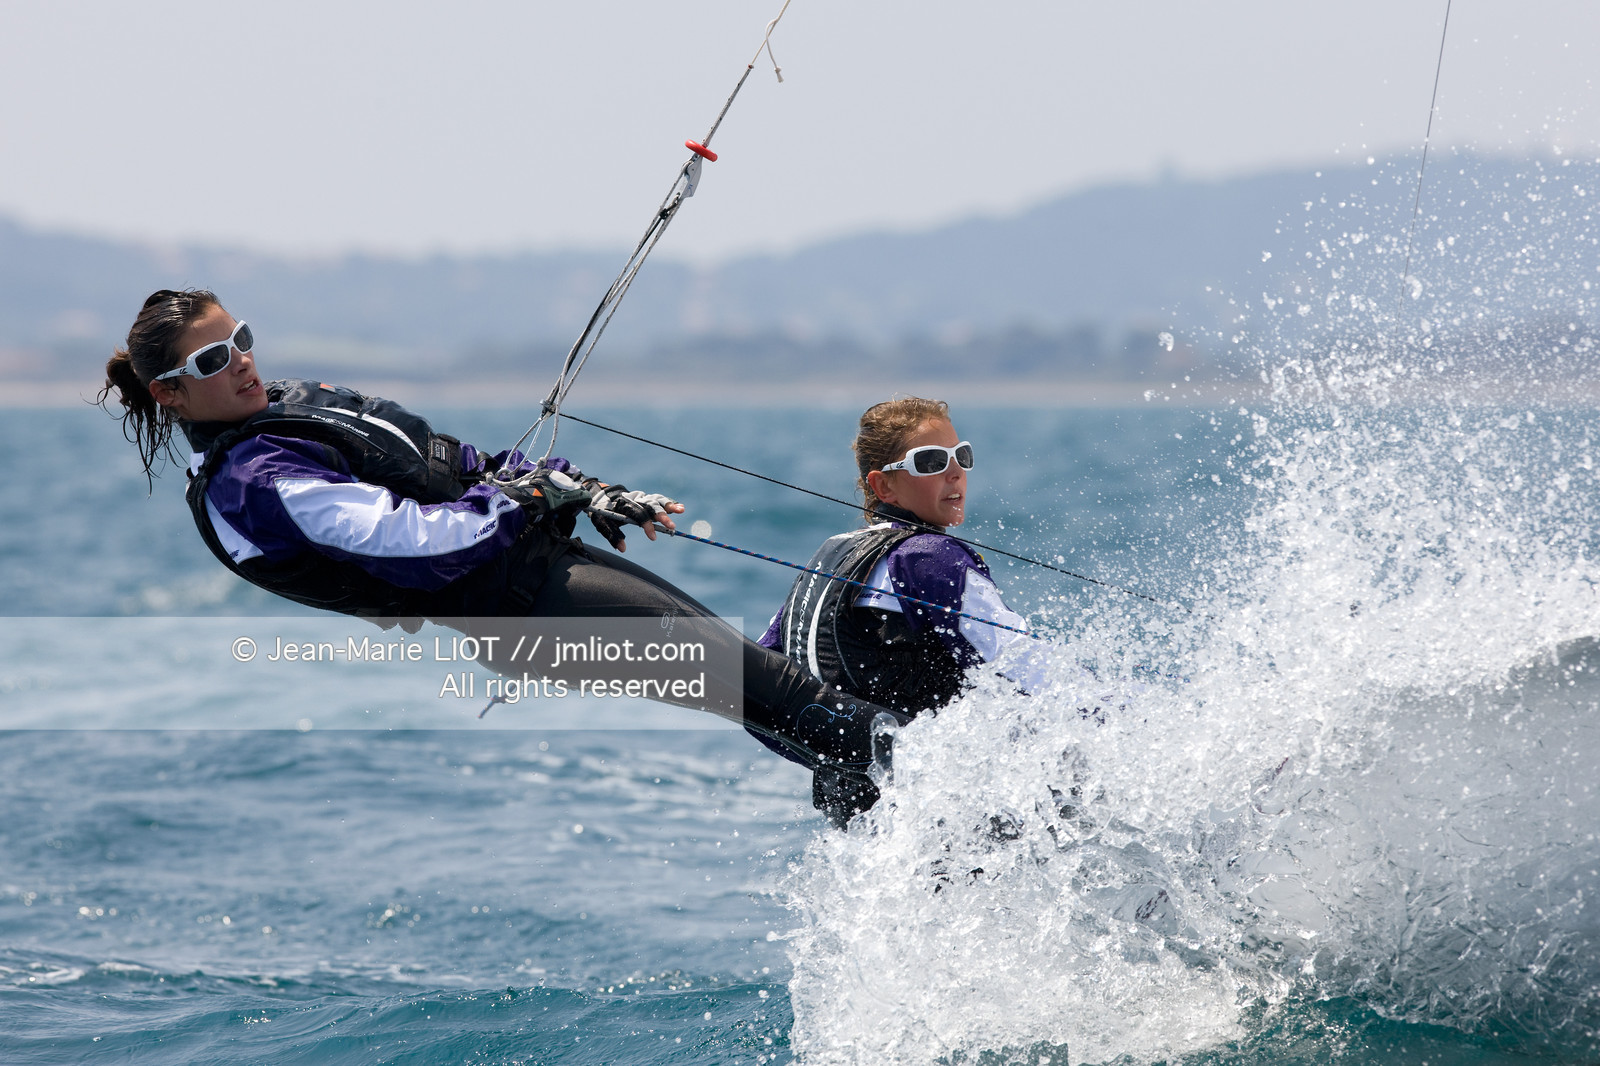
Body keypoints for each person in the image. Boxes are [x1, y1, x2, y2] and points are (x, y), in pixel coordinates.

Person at [99, 289, 905, 820]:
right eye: (211, 361)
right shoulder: (252, 482)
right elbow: (413, 544)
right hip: (528, 614)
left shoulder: (284, 408)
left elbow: (448, 465)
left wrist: (577, 487)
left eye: (238, 339)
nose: (239, 360)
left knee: (763, 695)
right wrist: (528, 500)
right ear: (169, 392)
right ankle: (952, 776)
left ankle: (886, 810)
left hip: (544, 572)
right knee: (775, 689)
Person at [757, 397, 1032, 816]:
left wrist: (846, 756)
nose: (955, 471)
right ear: (884, 486)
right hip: (946, 806)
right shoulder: (928, 556)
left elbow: (762, 694)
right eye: (931, 461)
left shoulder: (832, 552)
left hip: (857, 814)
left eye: (962, 456)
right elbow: (1023, 665)